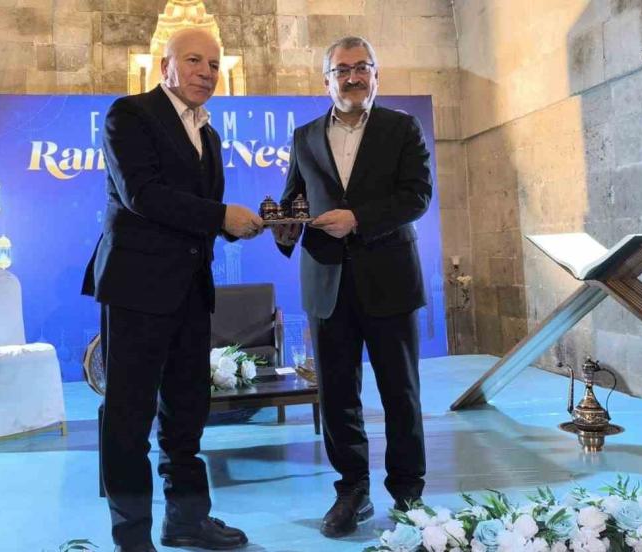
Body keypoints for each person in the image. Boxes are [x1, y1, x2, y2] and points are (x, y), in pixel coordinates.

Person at [82, 28, 262, 552]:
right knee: (128, 419)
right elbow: (142, 195)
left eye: (214, 64)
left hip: (190, 291)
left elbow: (196, 216)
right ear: (165, 67)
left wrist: (239, 226)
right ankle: (132, 537)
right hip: (137, 290)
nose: (207, 72)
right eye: (194, 60)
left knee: (186, 415)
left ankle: (186, 520)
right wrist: (220, 216)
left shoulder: (210, 136)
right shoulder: (129, 115)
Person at [273, 35, 432, 538]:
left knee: (400, 393)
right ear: (327, 80)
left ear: (376, 75)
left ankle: (408, 493)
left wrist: (358, 218)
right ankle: (352, 491)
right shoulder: (304, 137)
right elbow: (294, 199)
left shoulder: (402, 128)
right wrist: (282, 226)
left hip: (390, 280)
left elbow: (417, 196)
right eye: (342, 70)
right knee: (338, 395)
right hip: (326, 283)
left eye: (362, 67)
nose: (353, 77)